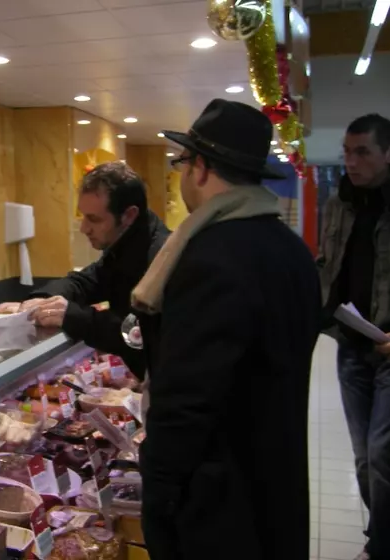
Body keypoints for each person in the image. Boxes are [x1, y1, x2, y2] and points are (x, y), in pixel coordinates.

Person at [130, 99, 321, 560]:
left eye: (182, 162)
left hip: (220, 503)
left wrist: (158, 497)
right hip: (275, 478)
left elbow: (186, 400)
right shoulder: (292, 250)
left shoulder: (211, 257)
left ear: (200, 168)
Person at [0, 161, 169, 377]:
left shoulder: (161, 257)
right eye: (83, 216)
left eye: (93, 219)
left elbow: (138, 334)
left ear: (129, 216)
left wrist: (73, 316)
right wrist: (43, 299)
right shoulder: (122, 246)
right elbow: (85, 281)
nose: (84, 228)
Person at [317, 113, 390, 560]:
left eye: (362, 151)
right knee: (365, 459)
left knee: (383, 455)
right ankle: (378, 538)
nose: (351, 161)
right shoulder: (338, 203)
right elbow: (330, 265)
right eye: (347, 151)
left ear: (387, 153)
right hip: (351, 344)